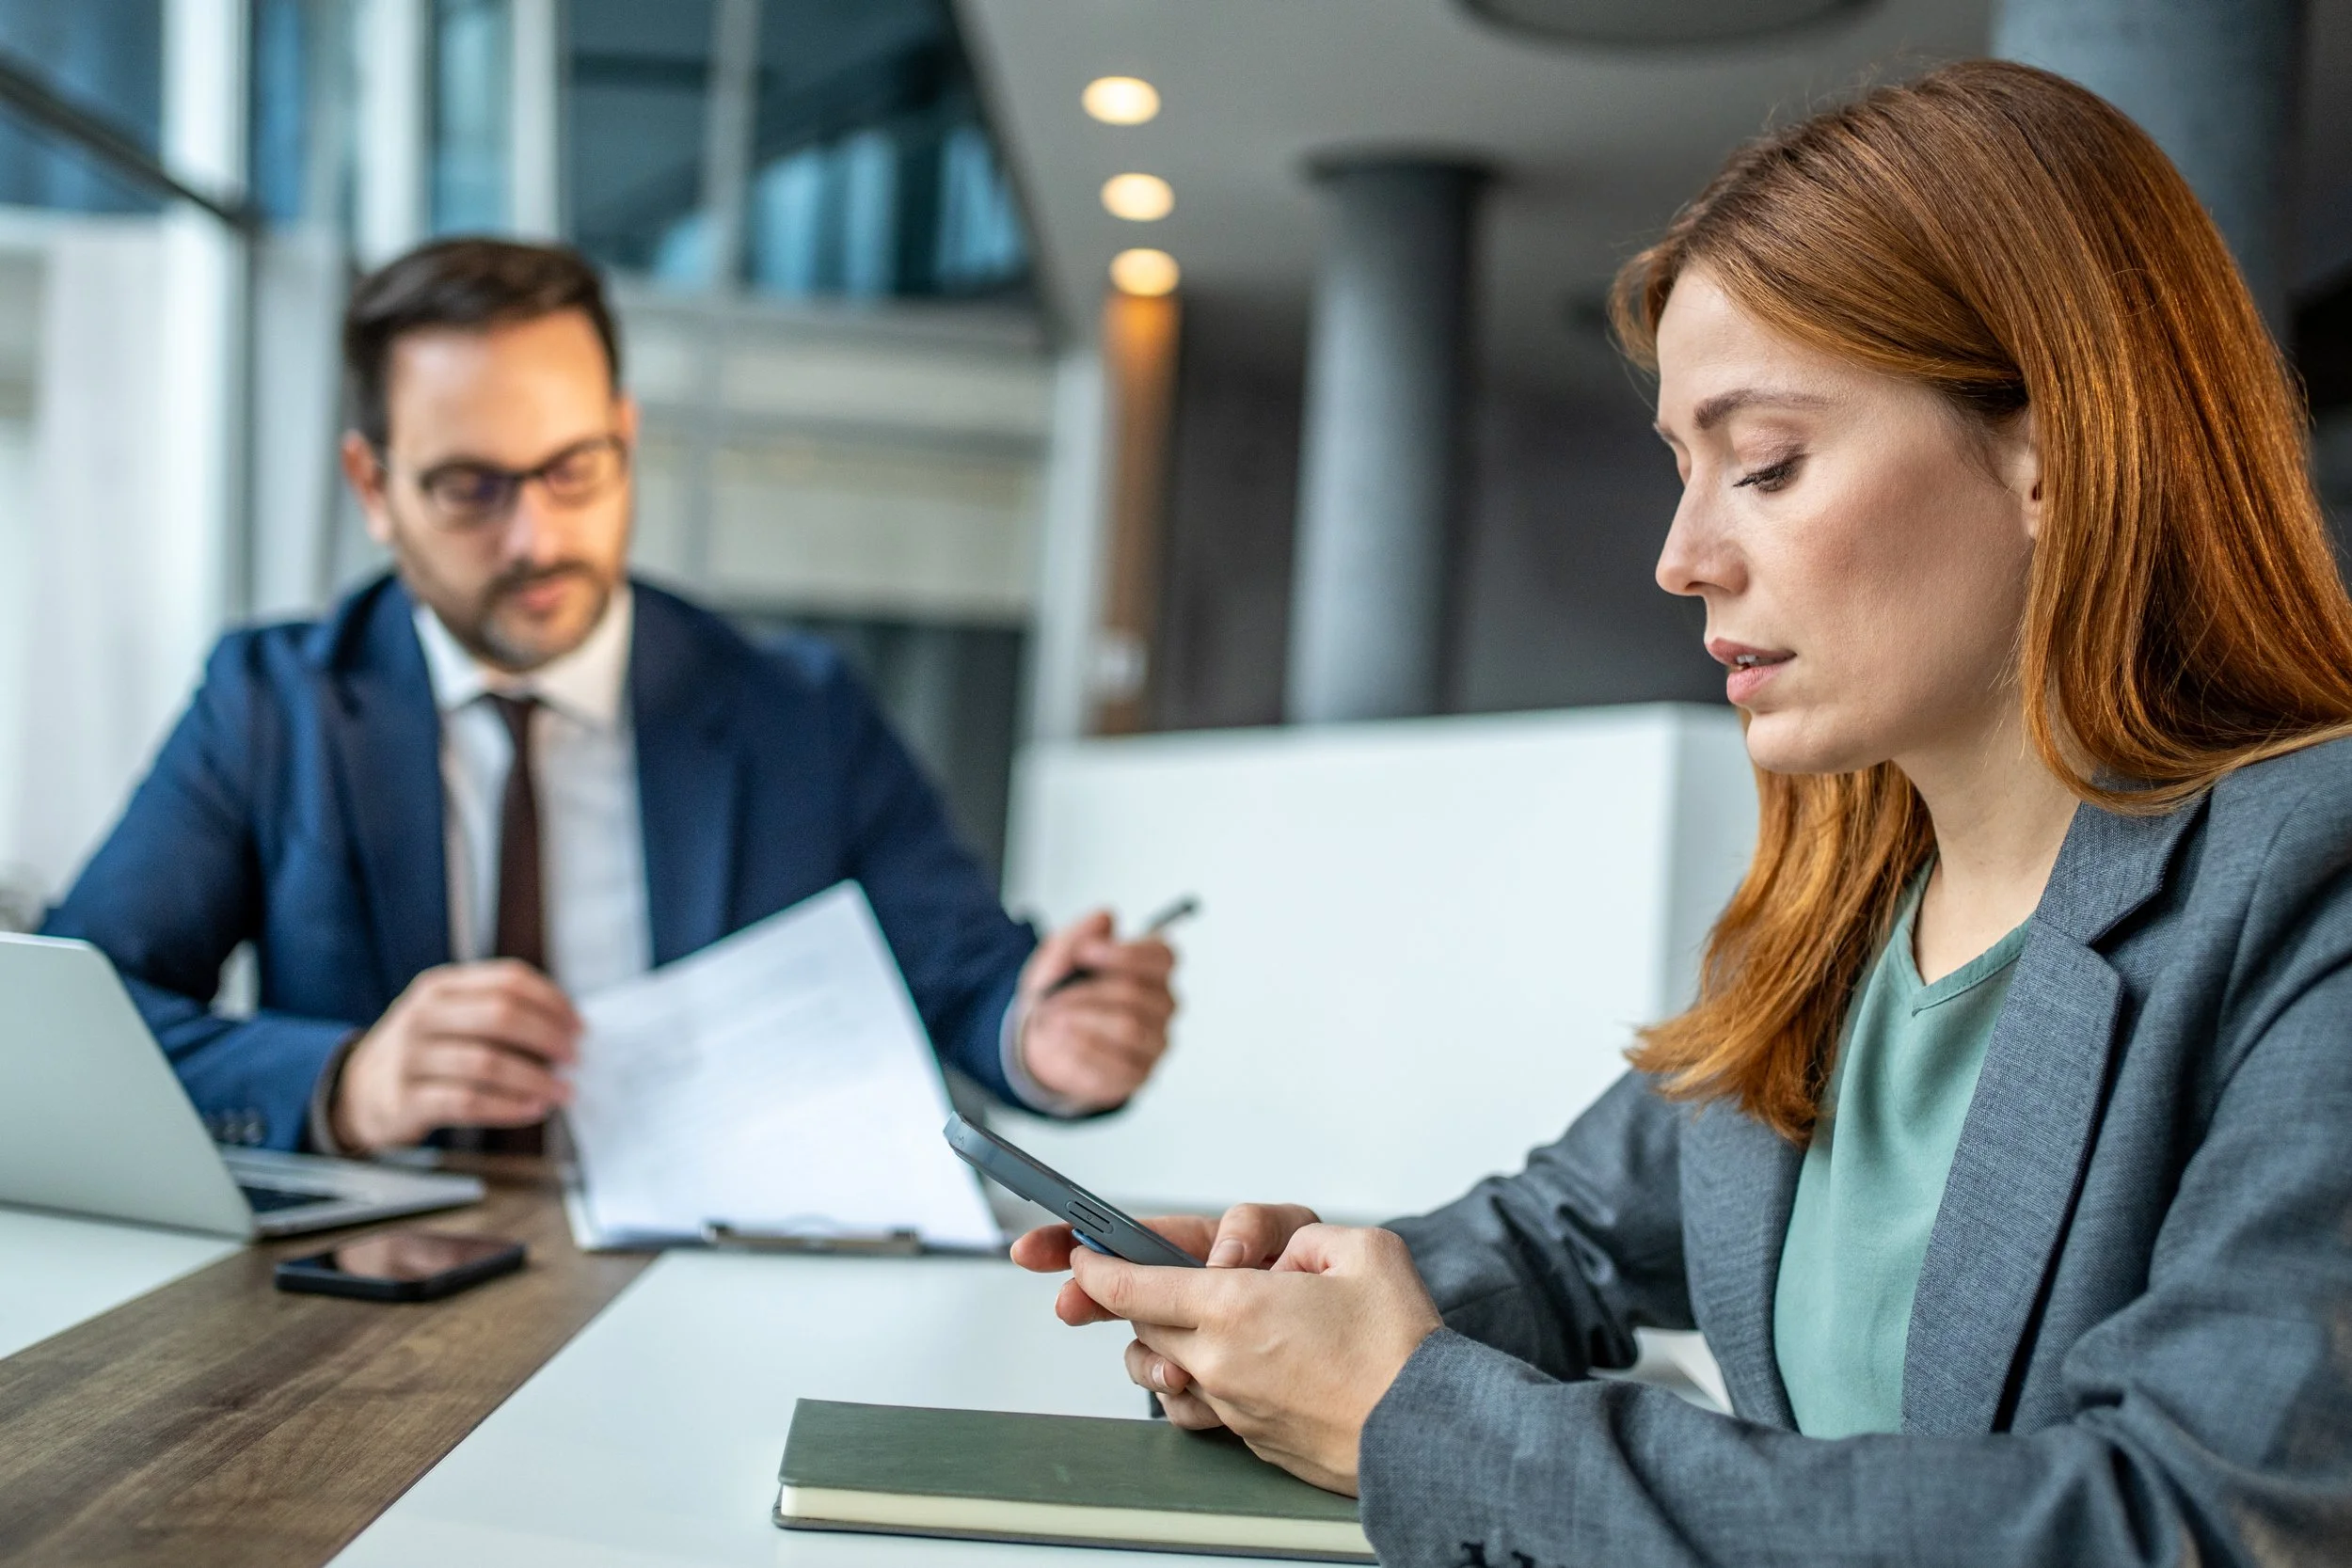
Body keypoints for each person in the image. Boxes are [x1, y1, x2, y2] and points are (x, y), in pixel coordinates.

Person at [1012, 60, 2352, 1565]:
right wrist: (1299, 1305)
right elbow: (1566, 1233)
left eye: (1766, 463)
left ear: (2050, 448)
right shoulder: (1845, 904)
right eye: (1682, 468)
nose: (1682, 553)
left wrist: (1419, 1415)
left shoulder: (2313, 888)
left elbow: (2183, 1522)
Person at [44, 238, 1178, 1156]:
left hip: (712, 1292)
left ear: (626, 439)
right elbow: (65, 1037)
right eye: (469, 488)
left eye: (573, 468)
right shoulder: (271, 702)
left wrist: (1048, 1035)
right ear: (373, 487)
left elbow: (969, 977)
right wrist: (341, 1083)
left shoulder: (800, 711)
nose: (537, 536)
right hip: (363, 1316)